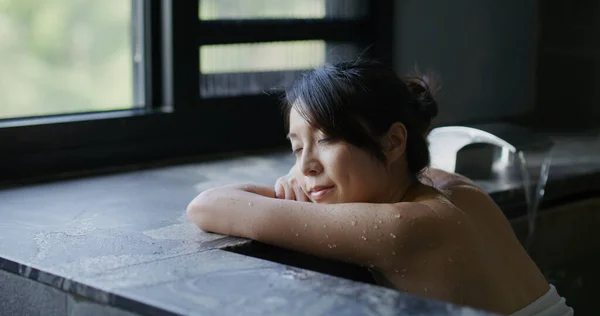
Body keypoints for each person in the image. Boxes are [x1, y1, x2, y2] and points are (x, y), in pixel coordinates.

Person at [187, 60, 573, 315]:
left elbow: (207, 206)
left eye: (326, 140)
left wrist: (290, 189)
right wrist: (305, 172)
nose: (305, 166)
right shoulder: (459, 191)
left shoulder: (403, 227)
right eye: (297, 148)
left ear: (392, 142)